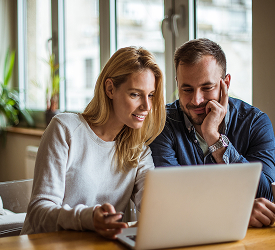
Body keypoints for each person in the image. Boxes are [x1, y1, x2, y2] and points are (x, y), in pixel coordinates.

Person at [21, 47, 166, 239]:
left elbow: (154, 207)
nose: (147, 106)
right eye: (135, 94)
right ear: (110, 89)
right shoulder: (65, 129)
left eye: (151, 95)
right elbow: (38, 213)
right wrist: (88, 218)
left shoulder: (139, 151)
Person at [149, 38, 275, 228]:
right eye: (187, 89)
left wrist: (213, 137)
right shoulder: (162, 123)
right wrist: (235, 210)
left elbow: (266, 197)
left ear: (225, 83)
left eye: (207, 88)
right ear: (177, 83)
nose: (196, 100)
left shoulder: (255, 123)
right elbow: (171, 199)